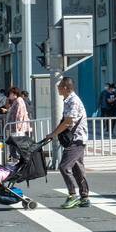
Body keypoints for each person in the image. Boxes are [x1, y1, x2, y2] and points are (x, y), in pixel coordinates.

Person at [48, 77, 89, 208]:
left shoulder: (73, 101)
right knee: (77, 168)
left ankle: (73, 195)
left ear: (66, 87)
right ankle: (84, 196)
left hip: (77, 139)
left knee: (64, 166)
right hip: (76, 138)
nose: (58, 88)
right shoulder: (68, 100)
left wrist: (54, 134)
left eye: (60, 86)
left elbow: (68, 121)